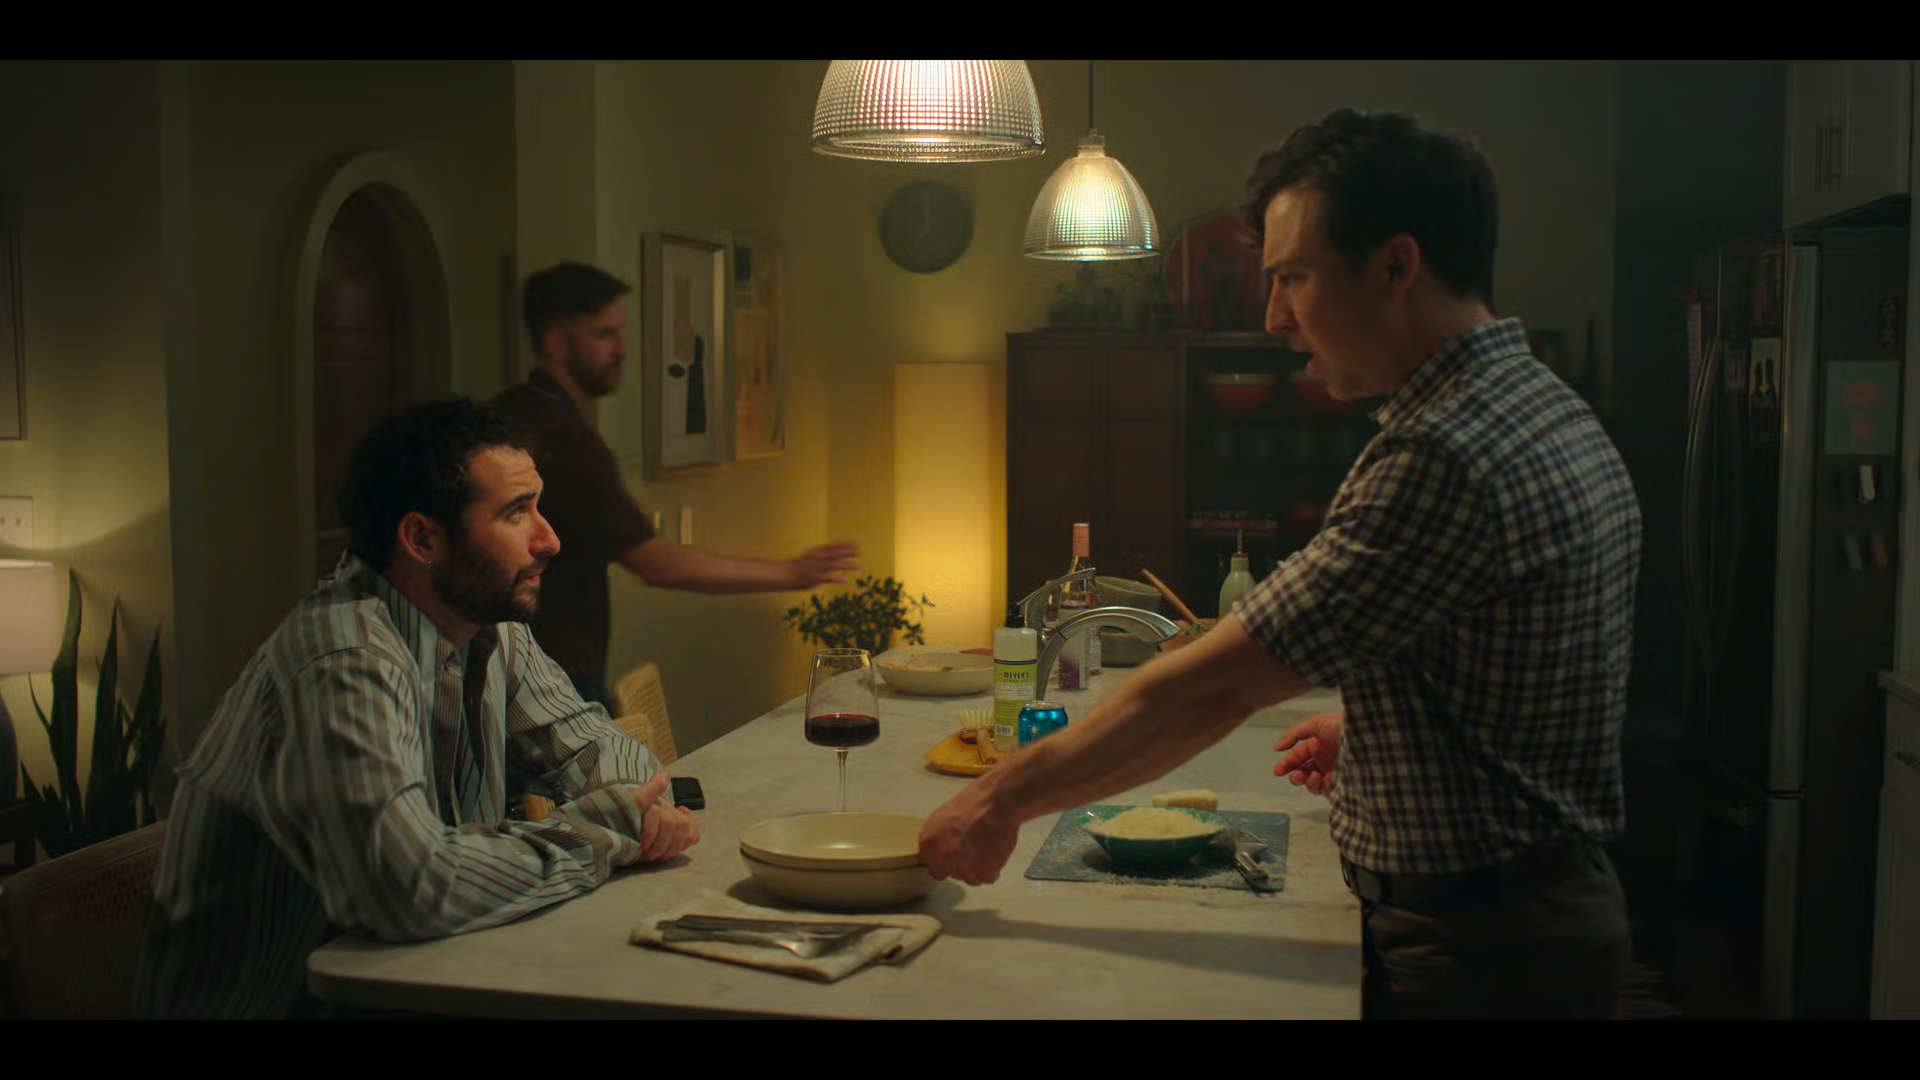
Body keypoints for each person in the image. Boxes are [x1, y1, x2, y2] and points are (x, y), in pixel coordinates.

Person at [919, 107, 1643, 1021]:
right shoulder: (1540, 404)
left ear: (1396, 267)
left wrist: (998, 800)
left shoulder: (1441, 452)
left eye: (1294, 277)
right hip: (1532, 916)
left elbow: (1208, 689)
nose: (1274, 318)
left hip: (1478, 953)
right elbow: (1519, 673)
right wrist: (1392, 733)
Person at [133, 398, 702, 1019]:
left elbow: (603, 752)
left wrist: (638, 812)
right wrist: (602, 831)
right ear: (423, 539)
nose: (550, 539)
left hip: (426, 978)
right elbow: (410, 888)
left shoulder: (490, 627)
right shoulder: (343, 659)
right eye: (516, 512)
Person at [493, 262, 860, 717]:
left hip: (524, 664)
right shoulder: (563, 438)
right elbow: (655, 561)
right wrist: (791, 573)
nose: (621, 350)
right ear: (555, 342)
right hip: (551, 673)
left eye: (620, 332)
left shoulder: (518, 408)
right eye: (604, 334)